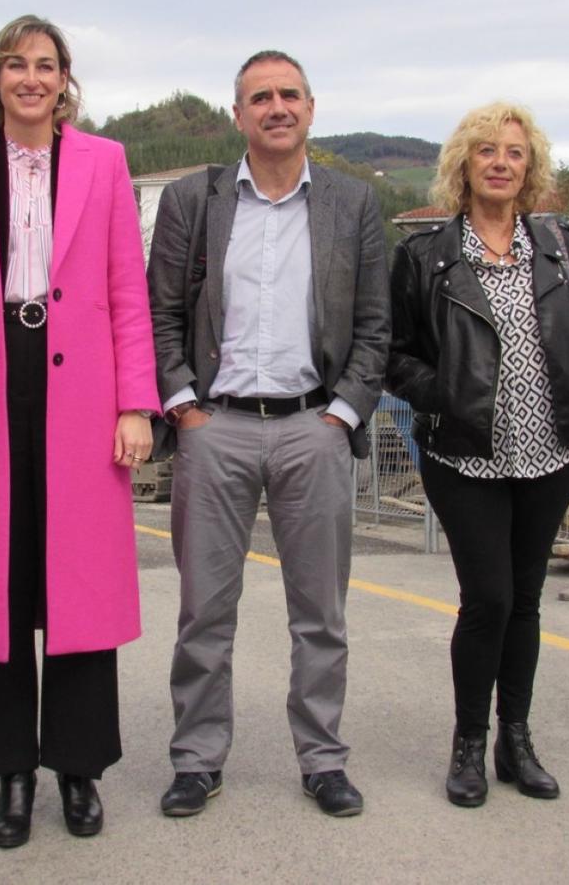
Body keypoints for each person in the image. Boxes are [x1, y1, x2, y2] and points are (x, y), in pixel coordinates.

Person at [0, 15, 158, 848]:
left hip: (83, 391)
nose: (31, 78)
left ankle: (79, 768)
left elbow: (128, 289)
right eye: (15, 65)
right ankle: (10, 771)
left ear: (64, 81)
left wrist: (135, 403)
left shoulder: (105, 161)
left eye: (45, 66)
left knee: (77, 586)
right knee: (0, 586)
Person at [147, 50, 389, 819]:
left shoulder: (353, 204)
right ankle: (196, 759)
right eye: (260, 97)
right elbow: (160, 312)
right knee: (205, 611)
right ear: (238, 115)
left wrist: (342, 414)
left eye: (289, 95)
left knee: (320, 613)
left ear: (311, 109)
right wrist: (184, 406)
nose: (276, 107)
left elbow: (377, 327)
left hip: (312, 428)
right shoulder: (195, 199)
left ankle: (322, 758)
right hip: (214, 428)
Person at [386, 102, 569, 808]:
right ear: (464, 164)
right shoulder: (426, 256)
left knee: (527, 601)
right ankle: (469, 745)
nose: (501, 162)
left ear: (530, 164)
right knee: (488, 599)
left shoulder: (557, 245)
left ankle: (518, 739)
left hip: (552, 451)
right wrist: (443, 394)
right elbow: (396, 355)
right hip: (465, 456)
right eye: (487, 150)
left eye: (514, 151)